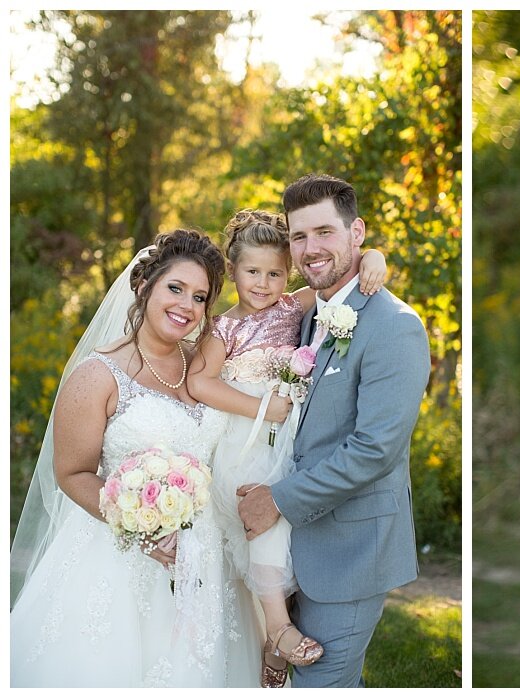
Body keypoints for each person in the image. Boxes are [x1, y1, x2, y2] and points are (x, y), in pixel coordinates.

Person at [11, 229, 261, 687]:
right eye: (176, 288)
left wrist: (370, 261)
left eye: (201, 297)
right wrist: (139, 525)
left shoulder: (206, 363)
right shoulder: (97, 376)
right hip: (123, 555)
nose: (187, 306)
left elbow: (284, 302)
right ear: (144, 284)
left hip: (209, 556)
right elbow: (72, 473)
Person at [236, 174, 430, 688]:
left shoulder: (395, 326)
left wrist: (276, 500)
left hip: (350, 551)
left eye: (325, 232)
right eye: (299, 237)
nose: (310, 248)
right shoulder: (301, 316)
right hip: (293, 545)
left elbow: (375, 449)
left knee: (321, 685)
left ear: (357, 231)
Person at [186, 208, 389, 687]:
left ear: (289, 274)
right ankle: (278, 627)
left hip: (291, 438)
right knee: (263, 517)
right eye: (252, 272)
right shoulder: (224, 329)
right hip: (248, 439)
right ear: (232, 271)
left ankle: (272, 646)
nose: (263, 283)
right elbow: (199, 382)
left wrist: (375, 255)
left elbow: (348, 272)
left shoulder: (293, 307)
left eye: (275, 273)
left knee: (296, 530)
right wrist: (261, 410)